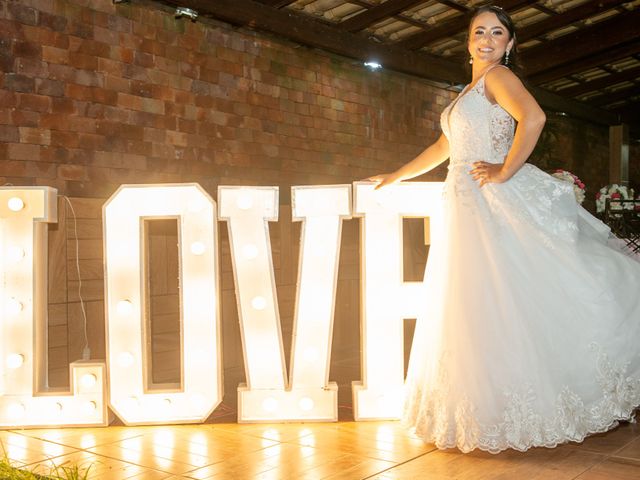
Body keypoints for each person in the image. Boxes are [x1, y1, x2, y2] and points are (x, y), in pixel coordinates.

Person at [369, 5, 640, 453]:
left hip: (487, 201)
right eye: (480, 32)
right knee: (481, 307)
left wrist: (504, 170)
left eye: (498, 33)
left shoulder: (499, 78)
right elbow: (445, 145)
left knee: (509, 299)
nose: (488, 39)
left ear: (510, 44)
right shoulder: (468, 90)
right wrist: (394, 175)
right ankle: (490, 409)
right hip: (464, 205)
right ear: (468, 40)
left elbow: (534, 119)